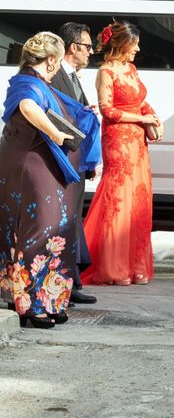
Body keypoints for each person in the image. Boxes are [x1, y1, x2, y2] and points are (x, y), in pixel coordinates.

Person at [0, 31, 101, 327]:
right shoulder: (26, 84)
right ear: (53, 60)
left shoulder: (37, 82)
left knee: (55, 231)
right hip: (28, 169)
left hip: (40, 167)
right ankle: (30, 303)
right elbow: (29, 107)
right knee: (38, 231)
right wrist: (55, 133)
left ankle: (48, 298)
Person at [81, 21, 163, 286]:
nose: (138, 49)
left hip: (138, 141)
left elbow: (140, 101)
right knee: (119, 199)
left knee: (137, 198)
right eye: (135, 44)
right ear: (122, 44)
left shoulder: (131, 68)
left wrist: (154, 118)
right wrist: (141, 120)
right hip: (117, 139)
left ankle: (135, 266)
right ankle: (114, 267)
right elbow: (108, 111)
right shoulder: (105, 71)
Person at [50, 22, 98, 305]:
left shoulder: (75, 77)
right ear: (73, 47)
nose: (91, 52)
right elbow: (57, 116)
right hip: (63, 158)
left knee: (73, 218)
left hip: (76, 159)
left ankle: (72, 281)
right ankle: (65, 282)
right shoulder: (56, 76)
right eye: (88, 46)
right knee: (63, 220)